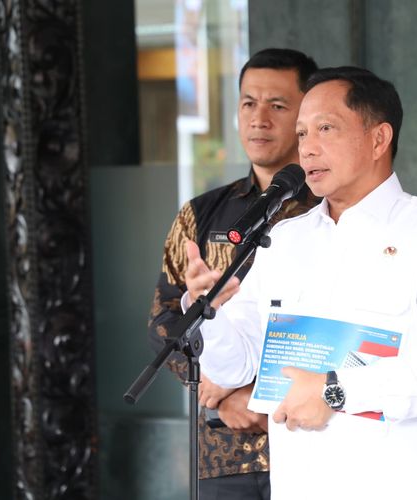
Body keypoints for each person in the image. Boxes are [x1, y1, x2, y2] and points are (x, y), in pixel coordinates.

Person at [183, 66, 417, 499]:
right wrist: (207, 312)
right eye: (303, 134)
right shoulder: (284, 239)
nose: (308, 149)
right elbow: (236, 366)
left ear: (379, 139)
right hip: (301, 484)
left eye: (326, 128)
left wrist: (334, 390)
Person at [148, 48, 319, 499]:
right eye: (248, 103)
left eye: (277, 105)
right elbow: (166, 322)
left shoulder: (331, 211)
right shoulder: (201, 214)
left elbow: (335, 327)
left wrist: (257, 394)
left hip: (315, 447)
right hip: (225, 453)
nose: (259, 118)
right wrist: (221, 393)